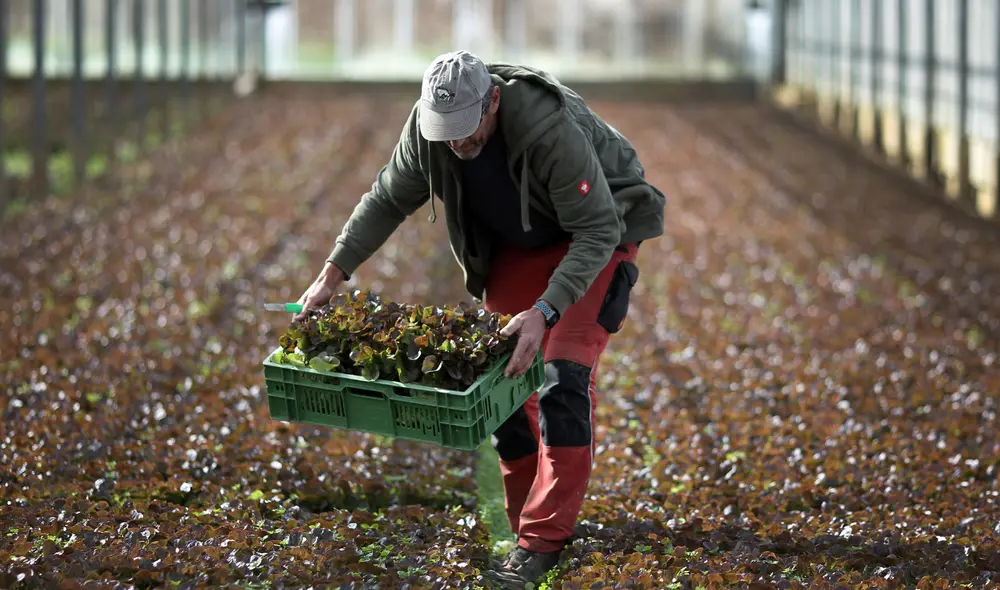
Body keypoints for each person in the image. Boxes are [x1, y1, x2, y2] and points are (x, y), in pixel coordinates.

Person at [294, 50, 667, 585]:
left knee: (563, 378)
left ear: (493, 99)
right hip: (521, 244)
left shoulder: (544, 128)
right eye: (445, 132)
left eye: (467, 131)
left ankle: (543, 543)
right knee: (502, 387)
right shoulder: (431, 131)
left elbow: (597, 229)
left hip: (596, 236)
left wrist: (544, 310)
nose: (457, 144)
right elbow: (386, 199)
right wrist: (331, 274)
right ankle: (525, 528)